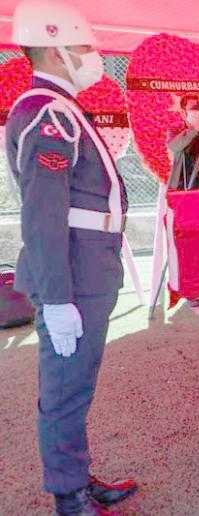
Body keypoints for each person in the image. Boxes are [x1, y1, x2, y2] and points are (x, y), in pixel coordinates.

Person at [5, 1, 138, 514]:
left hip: (86, 267)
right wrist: (58, 299)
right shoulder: (49, 114)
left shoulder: (60, 108)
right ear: (56, 49)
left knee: (76, 383)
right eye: (84, 46)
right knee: (65, 387)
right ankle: (69, 496)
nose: (93, 56)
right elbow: (44, 214)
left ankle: (76, 477)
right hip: (73, 273)